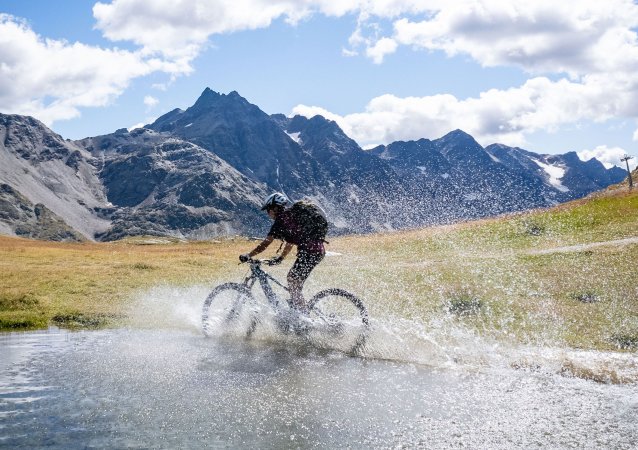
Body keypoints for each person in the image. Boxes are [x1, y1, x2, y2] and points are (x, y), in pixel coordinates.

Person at [240, 192, 325, 312]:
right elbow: (290, 242)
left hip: (310, 252)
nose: (268, 213)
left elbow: (265, 244)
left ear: (274, 208)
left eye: (268, 210)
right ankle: (299, 310)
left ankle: (303, 317)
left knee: (292, 279)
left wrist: (248, 255)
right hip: (316, 251)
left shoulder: (281, 220)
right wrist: (281, 257)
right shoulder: (291, 216)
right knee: (295, 283)